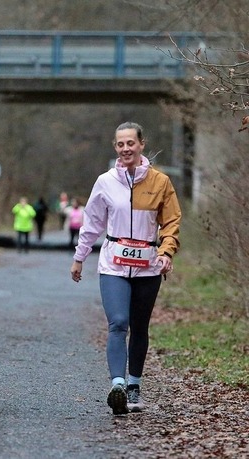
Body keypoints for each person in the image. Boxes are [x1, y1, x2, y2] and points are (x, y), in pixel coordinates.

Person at [70, 122, 181, 415]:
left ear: (141, 144)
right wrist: (80, 256)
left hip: (148, 265)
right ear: (115, 147)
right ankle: (117, 384)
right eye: (120, 144)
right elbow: (91, 222)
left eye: (130, 143)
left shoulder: (161, 183)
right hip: (113, 264)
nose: (126, 148)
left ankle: (134, 384)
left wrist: (167, 251)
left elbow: (171, 223)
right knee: (118, 322)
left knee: (139, 326)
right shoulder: (105, 181)